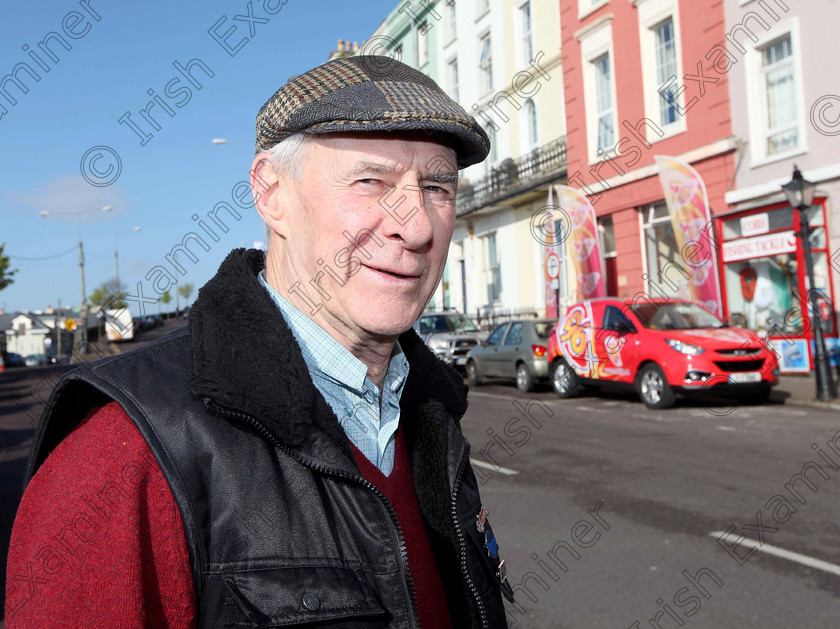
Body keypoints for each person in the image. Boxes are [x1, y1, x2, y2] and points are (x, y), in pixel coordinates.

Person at [5, 55, 514, 627]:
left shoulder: (428, 412)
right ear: (271, 194)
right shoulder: (129, 449)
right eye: (371, 181)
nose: (416, 225)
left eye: (437, 187)